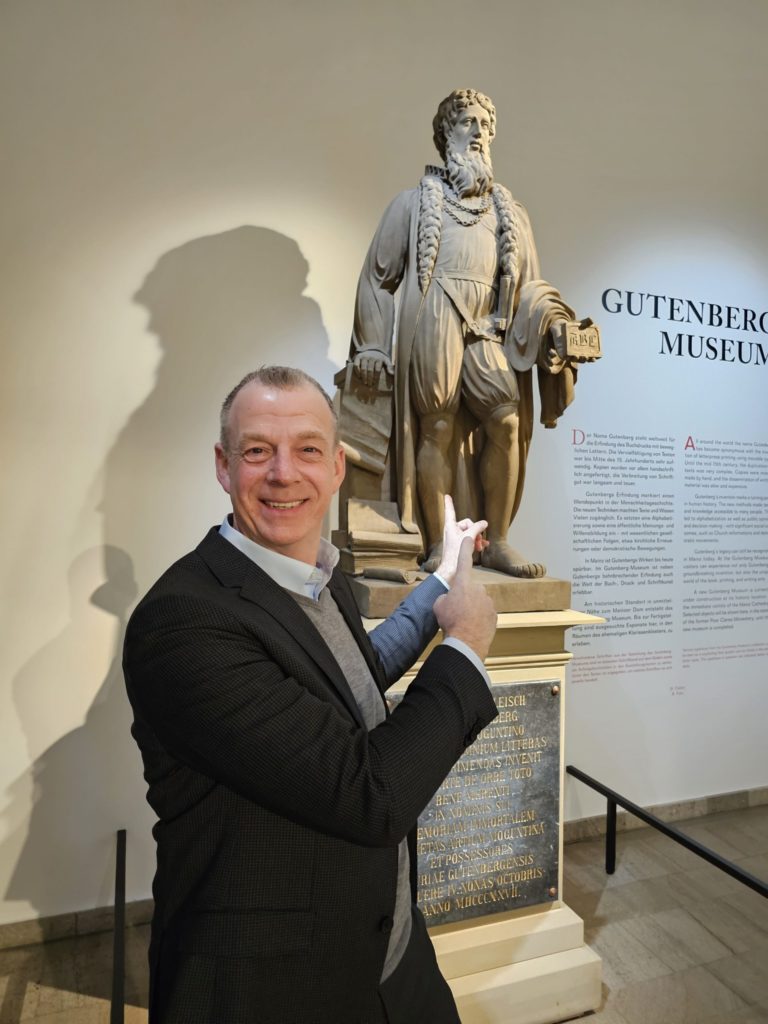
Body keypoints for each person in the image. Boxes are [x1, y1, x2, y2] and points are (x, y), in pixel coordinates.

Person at [123, 365, 498, 1023]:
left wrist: (442, 577)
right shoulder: (185, 621)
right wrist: (465, 645)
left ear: (335, 469)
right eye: (258, 450)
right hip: (280, 986)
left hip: (392, 953)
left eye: (306, 450)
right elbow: (370, 793)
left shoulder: (317, 580)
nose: (282, 474)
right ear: (223, 465)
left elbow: (355, 673)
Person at [348, 87, 591, 578]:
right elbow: (378, 277)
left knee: (506, 420)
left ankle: (497, 539)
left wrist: (554, 328)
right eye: (467, 124)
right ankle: (439, 543)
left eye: (484, 125)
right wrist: (372, 345)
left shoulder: (511, 214)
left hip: (489, 328)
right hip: (434, 317)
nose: (478, 133)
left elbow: (529, 288)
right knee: (436, 424)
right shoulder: (412, 204)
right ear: (446, 136)